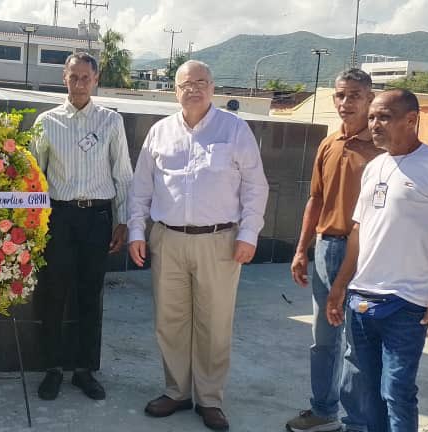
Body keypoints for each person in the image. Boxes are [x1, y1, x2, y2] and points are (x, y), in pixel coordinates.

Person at [128, 60, 269, 431]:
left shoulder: (235, 130)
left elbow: (256, 187)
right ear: (175, 90)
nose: (194, 89)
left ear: (213, 87)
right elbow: (141, 187)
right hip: (168, 239)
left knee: (214, 322)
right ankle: (176, 391)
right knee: (169, 320)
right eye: (186, 83)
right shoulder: (159, 132)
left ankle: (209, 399)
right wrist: (136, 232)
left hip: (220, 241)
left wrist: (249, 234)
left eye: (202, 82)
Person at [325, 89, 428, 432]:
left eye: (384, 117)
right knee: (368, 392)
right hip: (361, 300)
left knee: (398, 392)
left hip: (407, 304)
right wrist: (340, 287)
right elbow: (359, 231)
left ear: (411, 120)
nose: (374, 124)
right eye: (372, 117)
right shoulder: (375, 166)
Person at [32, 52, 133, 401]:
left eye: (85, 77)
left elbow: (123, 174)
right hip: (58, 218)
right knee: (54, 293)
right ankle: (52, 369)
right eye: (73, 76)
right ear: (64, 77)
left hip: (97, 219)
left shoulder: (110, 122)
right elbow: (35, 179)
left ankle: (85, 370)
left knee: (90, 295)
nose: (79, 83)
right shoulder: (45, 122)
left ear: (95, 79)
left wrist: (123, 221)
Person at [286, 69, 382, 432]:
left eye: (355, 95)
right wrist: (301, 249)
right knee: (323, 339)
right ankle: (324, 411)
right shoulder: (329, 144)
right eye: (341, 95)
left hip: (367, 254)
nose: (346, 103)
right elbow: (316, 199)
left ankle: (358, 421)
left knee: (358, 344)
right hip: (326, 250)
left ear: (370, 97)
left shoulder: (384, 148)